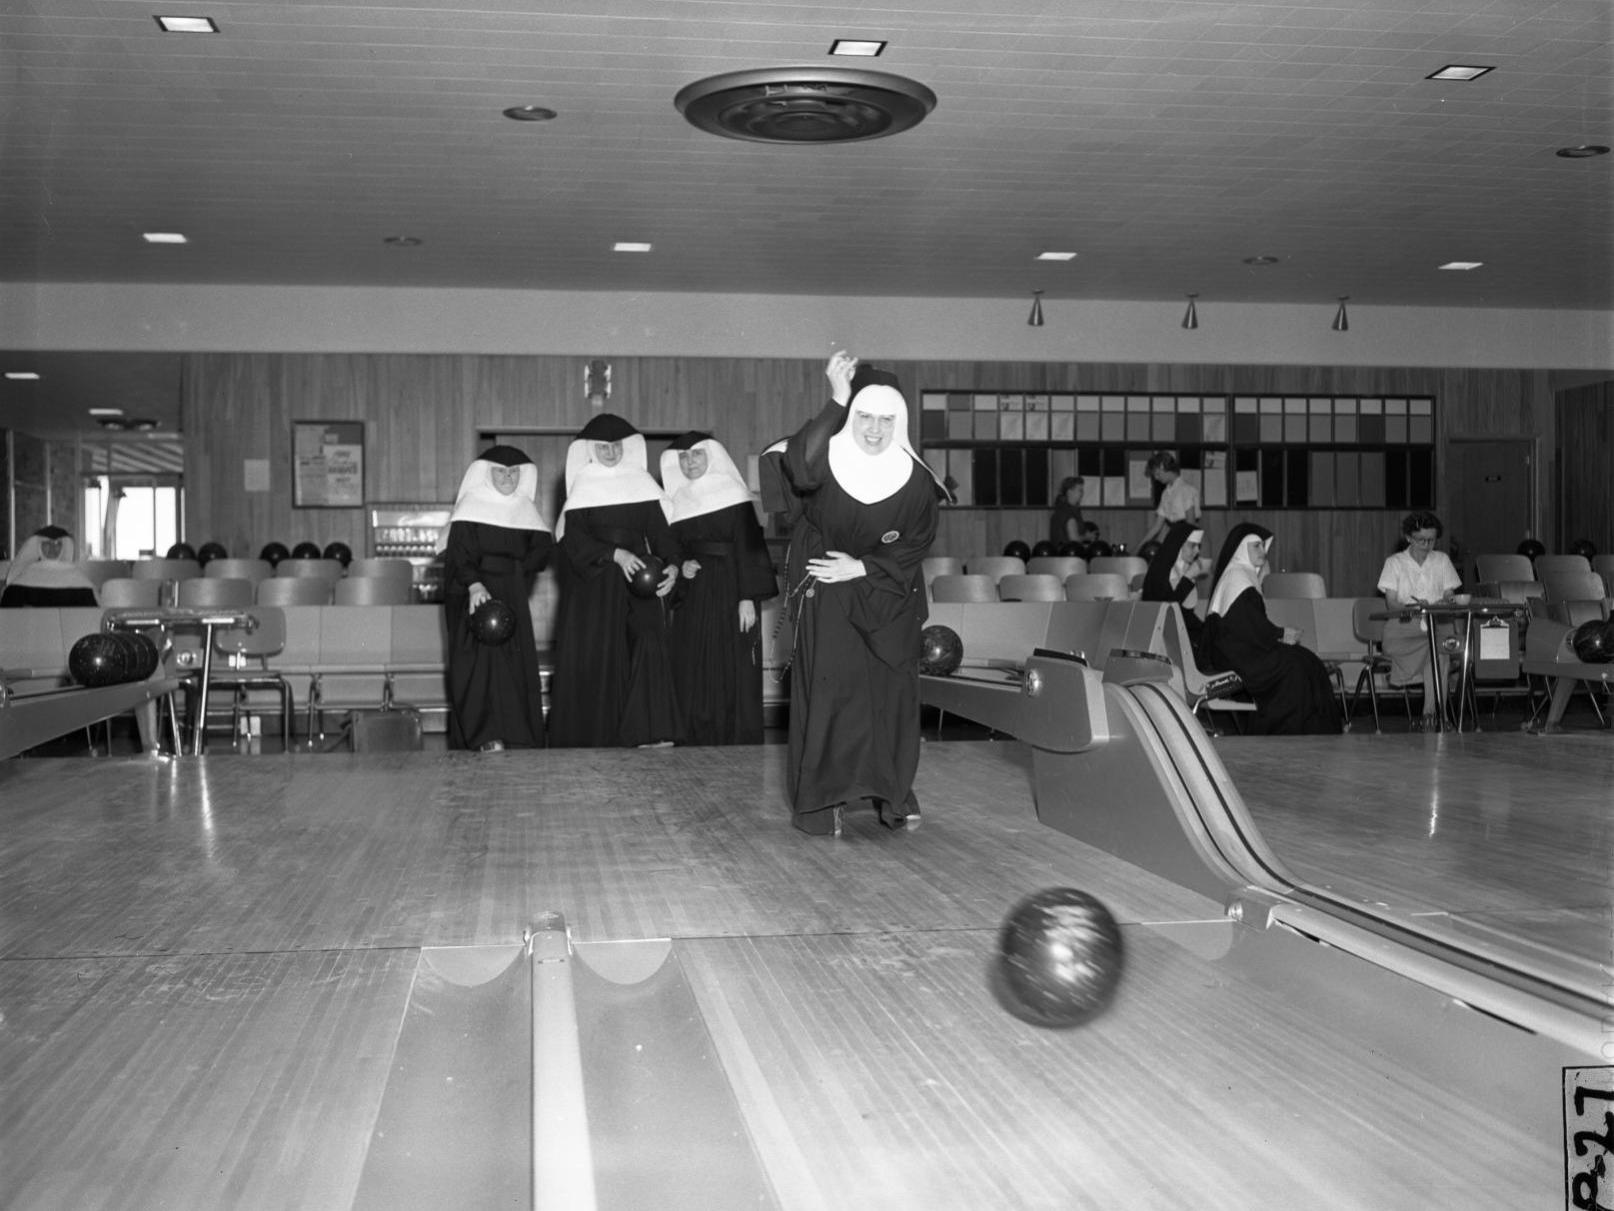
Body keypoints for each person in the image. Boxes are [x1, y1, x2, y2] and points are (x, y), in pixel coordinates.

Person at [782, 352, 944, 836]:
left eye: (886, 419)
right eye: (865, 416)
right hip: (830, 591)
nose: (875, 429)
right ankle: (823, 799)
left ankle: (892, 792)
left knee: (889, 701)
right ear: (851, 417)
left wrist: (865, 567)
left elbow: (918, 541)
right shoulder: (825, 462)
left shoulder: (916, 479)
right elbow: (799, 467)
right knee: (834, 696)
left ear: (901, 422)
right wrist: (835, 397)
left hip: (888, 598)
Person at [548, 414, 682, 748]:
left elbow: (662, 535)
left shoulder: (642, 485)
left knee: (649, 642)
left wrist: (675, 566)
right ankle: (602, 733)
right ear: (591, 450)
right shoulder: (583, 486)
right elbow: (572, 541)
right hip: (595, 584)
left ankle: (648, 731)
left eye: (616, 446)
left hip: (639, 580)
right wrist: (614, 554)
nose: (610, 452)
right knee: (603, 655)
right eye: (603, 447)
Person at [660, 432, 779, 745]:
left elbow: (749, 548)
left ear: (711, 456)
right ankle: (695, 734)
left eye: (696, 454)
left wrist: (747, 597)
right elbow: (673, 547)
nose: (689, 462)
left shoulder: (734, 494)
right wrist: (682, 563)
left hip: (731, 587)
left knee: (731, 662)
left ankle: (734, 736)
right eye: (683, 457)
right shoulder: (676, 500)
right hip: (695, 592)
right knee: (692, 661)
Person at [441, 445, 553, 752]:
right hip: (475, 594)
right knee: (481, 667)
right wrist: (475, 585)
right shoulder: (470, 507)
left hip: (511, 592)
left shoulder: (525, 509)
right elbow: (458, 555)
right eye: (501, 472)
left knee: (513, 666)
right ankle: (484, 735)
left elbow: (543, 548)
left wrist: (520, 571)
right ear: (488, 474)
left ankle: (516, 734)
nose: (508, 477)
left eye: (513, 472)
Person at [1200, 523, 1342, 735]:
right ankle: (1285, 730)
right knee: (1295, 666)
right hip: (1236, 654)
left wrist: (1279, 634)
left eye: (1263, 547)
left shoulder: (1242, 574)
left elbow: (1251, 625)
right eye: (1256, 546)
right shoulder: (1237, 577)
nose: (1263, 553)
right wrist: (1281, 634)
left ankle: (1312, 728)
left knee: (1305, 660)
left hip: (1243, 649)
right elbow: (1247, 626)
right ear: (1241, 549)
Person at [1375, 510, 1463, 731]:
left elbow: (1449, 593)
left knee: (1440, 652)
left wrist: (1445, 602)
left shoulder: (1441, 560)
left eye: (1431, 540)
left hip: (1434, 625)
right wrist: (1412, 607)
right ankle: (1436, 716)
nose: (1427, 545)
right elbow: (1392, 603)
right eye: (1421, 540)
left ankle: (1430, 715)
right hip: (1403, 628)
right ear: (1408, 538)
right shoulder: (1394, 562)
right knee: (1438, 649)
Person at [1140, 520, 1209, 646]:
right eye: (1192, 545)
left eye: (1199, 546)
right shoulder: (1160, 571)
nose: (1197, 551)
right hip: (1163, 637)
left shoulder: (1184, 567)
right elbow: (1169, 611)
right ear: (1179, 544)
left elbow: (1186, 615)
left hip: (1181, 631)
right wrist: (1187, 578)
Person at [1, 526, 99, 608]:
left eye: (57, 544)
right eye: (47, 544)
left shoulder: (77, 578)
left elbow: (90, 615)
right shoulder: (23, 579)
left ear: (63, 547)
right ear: (39, 547)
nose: (52, 548)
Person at [1138, 452, 1200, 549]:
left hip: (1189, 538)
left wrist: (1188, 546)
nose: (1156, 478)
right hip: (1175, 535)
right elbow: (1157, 526)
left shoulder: (1186, 490)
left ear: (1163, 467)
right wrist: (1140, 546)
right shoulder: (1166, 494)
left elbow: (1190, 522)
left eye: (1157, 474)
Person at [1049, 477, 1086, 548]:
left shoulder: (1060, 508)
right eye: (1080, 490)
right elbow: (1074, 540)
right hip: (1068, 556)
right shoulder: (1068, 512)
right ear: (1069, 492)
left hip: (1058, 555)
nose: (1082, 493)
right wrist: (1087, 537)